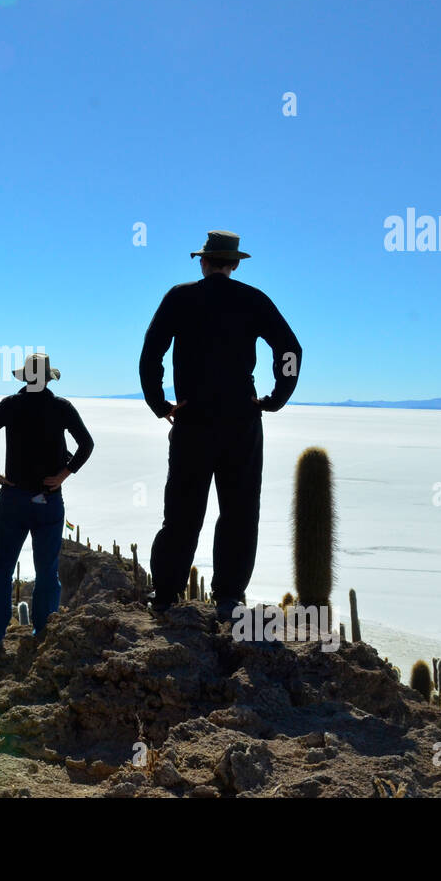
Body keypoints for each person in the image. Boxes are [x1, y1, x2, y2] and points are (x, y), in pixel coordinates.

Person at [138, 230, 302, 620]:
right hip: (241, 422)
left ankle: (164, 594)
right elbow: (290, 349)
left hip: (192, 419)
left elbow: (151, 354)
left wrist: (160, 404)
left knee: (181, 510)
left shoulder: (180, 297)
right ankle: (228, 598)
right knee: (240, 510)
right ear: (235, 263)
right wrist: (275, 398)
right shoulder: (252, 299)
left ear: (204, 261)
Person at [0, 353, 94, 651]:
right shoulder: (60, 407)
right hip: (48, 501)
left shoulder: (10, 405)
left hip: (12, 499)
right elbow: (86, 444)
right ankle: (44, 633)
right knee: (47, 571)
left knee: (1, 569)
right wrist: (64, 474)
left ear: (25, 378)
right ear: (48, 378)